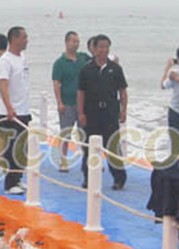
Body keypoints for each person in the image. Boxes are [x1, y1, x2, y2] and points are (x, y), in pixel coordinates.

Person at [77, 34, 128, 190]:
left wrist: (123, 110)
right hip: (91, 113)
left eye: (106, 47)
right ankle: (88, 177)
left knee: (113, 147)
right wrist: (81, 113)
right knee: (89, 147)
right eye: (101, 47)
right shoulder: (86, 69)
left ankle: (119, 179)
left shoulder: (116, 69)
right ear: (94, 48)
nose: (104, 50)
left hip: (110, 113)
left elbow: (123, 91)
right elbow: (80, 93)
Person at [0, 26, 31, 195]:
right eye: (24, 37)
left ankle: (18, 178)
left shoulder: (22, 57)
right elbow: (3, 86)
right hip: (9, 113)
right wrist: (9, 108)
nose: (27, 40)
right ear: (15, 39)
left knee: (22, 148)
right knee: (11, 148)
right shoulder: (5, 60)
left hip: (24, 110)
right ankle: (9, 184)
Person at [51, 32, 90, 172]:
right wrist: (59, 102)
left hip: (83, 104)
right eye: (74, 41)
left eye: (78, 41)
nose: (76, 43)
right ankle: (63, 161)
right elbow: (56, 84)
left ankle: (88, 161)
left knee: (85, 133)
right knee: (66, 133)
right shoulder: (59, 63)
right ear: (66, 42)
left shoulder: (83, 58)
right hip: (67, 103)